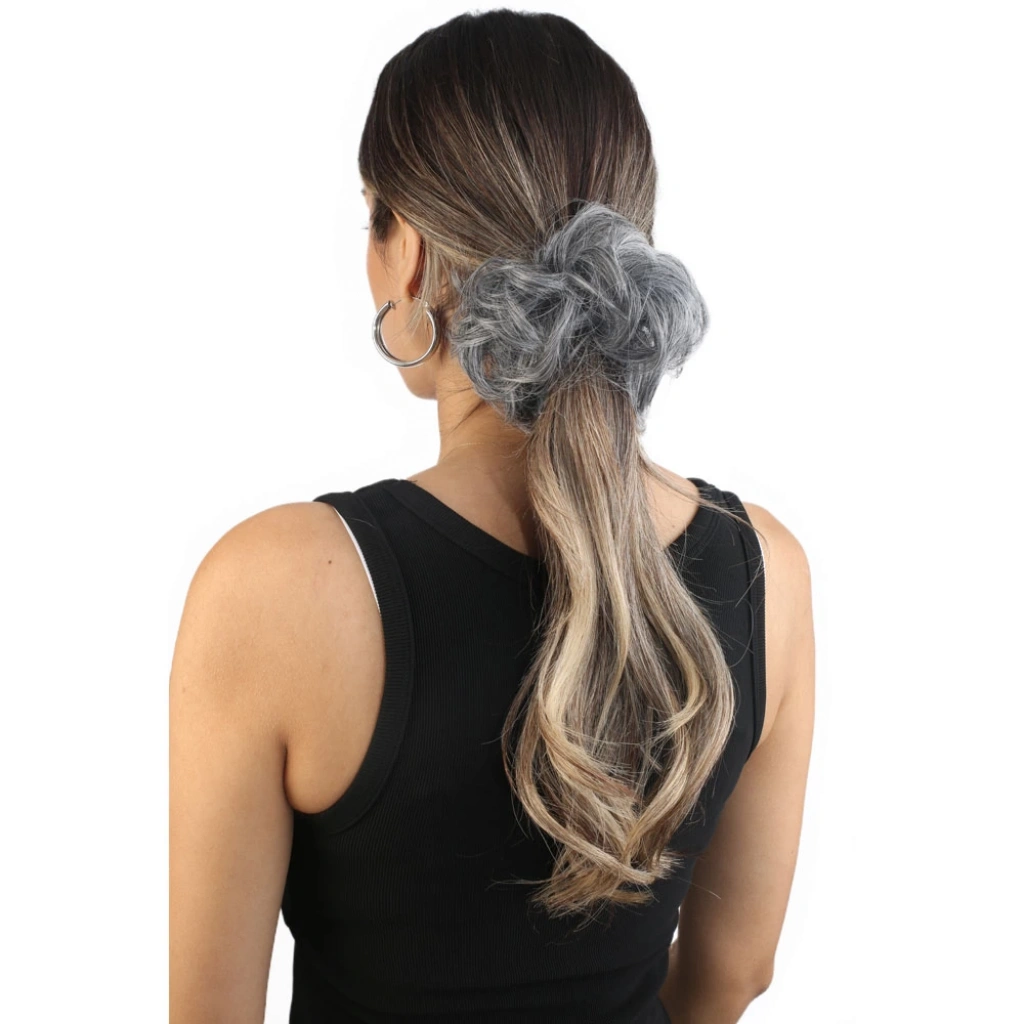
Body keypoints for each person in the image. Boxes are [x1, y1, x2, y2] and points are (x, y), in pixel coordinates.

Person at [169, 9, 815, 1024]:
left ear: (412, 255)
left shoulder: (280, 587)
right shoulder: (762, 567)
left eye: (372, 220)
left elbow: (210, 1012)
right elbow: (734, 972)